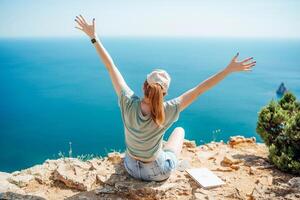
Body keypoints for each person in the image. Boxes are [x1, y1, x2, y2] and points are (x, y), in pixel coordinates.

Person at [74, 15, 256, 181]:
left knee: (158, 142)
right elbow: (200, 89)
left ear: (144, 85)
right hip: (156, 172)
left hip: (130, 167)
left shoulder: (127, 101)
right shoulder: (168, 109)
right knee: (179, 132)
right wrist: (228, 70)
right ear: (164, 93)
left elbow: (110, 66)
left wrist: (93, 36)